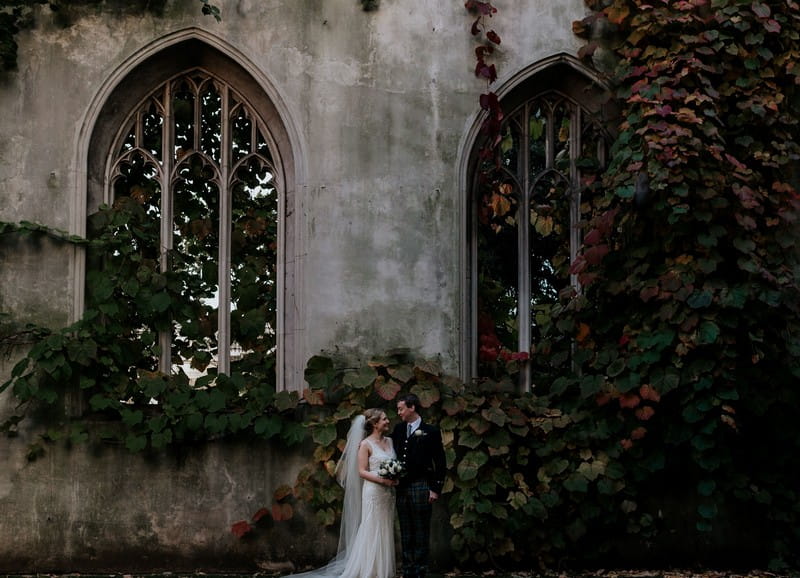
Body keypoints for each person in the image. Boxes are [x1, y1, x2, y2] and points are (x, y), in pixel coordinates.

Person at [283, 408, 398, 578]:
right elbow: (362, 471)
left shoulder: (389, 441)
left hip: (387, 494)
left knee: (385, 528)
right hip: (373, 491)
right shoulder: (365, 444)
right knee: (371, 528)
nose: (388, 421)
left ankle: (382, 570)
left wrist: (395, 476)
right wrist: (382, 480)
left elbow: (394, 464)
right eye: (384, 419)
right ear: (374, 423)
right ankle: (369, 570)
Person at [391, 394, 447, 578]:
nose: (398, 412)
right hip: (401, 487)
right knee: (406, 529)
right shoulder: (398, 430)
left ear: (412, 407)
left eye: (401, 408)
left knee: (421, 529)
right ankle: (408, 569)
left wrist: (435, 488)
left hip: (422, 485)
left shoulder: (430, 431)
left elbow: (440, 461)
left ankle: (421, 569)